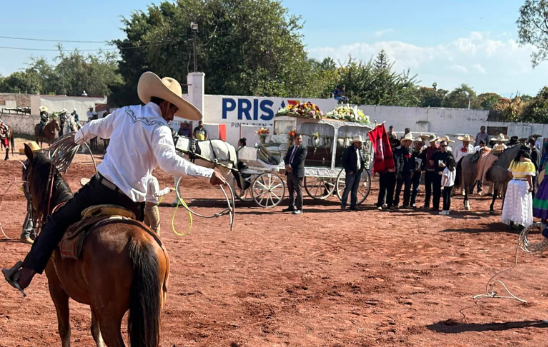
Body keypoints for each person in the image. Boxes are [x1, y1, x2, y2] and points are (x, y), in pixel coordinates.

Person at [3, 71, 227, 291]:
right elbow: (169, 162)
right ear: (166, 104)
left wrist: (77, 137)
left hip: (101, 190)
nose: (173, 116)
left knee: (57, 220)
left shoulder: (125, 113)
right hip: (133, 204)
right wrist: (207, 173)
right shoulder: (160, 129)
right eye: (174, 109)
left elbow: (95, 127)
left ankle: (25, 275)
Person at [502, 145, 536, 228]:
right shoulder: (528, 163)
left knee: (511, 203)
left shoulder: (514, 161)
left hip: (512, 183)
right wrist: (531, 186)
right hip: (522, 184)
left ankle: (511, 222)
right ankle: (521, 223)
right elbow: (529, 176)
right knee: (522, 204)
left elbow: (509, 173)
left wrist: (515, 178)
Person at [283, 133, 307, 214]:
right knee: (290, 190)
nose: (299, 140)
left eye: (300, 139)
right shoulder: (291, 147)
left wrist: (290, 165)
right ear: (294, 139)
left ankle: (300, 208)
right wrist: (286, 165)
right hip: (289, 172)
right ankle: (291, 206)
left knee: (298, 190)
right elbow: (286, 157)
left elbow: (300, 159)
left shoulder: (303, 148)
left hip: (297, 172)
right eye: (298, 139)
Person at [340, 136, 365, 211]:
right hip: (351, 172)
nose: (359, 144)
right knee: (348, 188)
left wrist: (361, 169)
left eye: (360, 142)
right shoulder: (348, 150)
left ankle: (353, 204)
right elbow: (344, 161)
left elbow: (362, 160)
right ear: (354, 143)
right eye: (358, 142)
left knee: (355, 189)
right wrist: (348, 170)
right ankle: (343, 204)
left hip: (357, 172)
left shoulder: (360, 150)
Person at [429, 140, 453, 211]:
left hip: (445, 175)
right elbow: (431, 160)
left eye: (445, 146)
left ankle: (445, 209)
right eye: (443, 146)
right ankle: (435, 206)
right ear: (440, 146)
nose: (444, 147)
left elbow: (453, 165)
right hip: (437, 174)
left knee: (446, 193)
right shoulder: (436, 153)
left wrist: (445, 165)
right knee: (436, 191)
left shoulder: (449, 154)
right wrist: (431, 162)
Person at [376, 138, 398, 211]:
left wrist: (396, 170)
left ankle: (389, 204)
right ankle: (380, 203)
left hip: (393, 174)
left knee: (391, 190)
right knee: (382, 189)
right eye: (391, 143)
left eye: (394, 143)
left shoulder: (397, 152)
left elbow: (399, 162)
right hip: (384, 173)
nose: (392, 144)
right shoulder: (383, 151)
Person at [393, 133, 414, 208]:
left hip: (409, 172)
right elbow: (399, 161)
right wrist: (398, 172)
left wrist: (412, 171)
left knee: (407, 189)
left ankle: (406, 203)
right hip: (401, 172)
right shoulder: (400, 150)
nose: (409, 142)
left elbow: (413, 162)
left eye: (410, 141)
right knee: (398, 188)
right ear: (405, 142)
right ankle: (396, 203)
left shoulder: (412, 151)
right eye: (408, 141)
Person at [420, 134, 439, 209]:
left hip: (435, 171)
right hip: (428, 170)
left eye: (433, 141)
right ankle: (426, 204)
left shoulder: (439, 149)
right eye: (431, 142)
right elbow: (422, 156)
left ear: (436, 141)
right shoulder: (427, 149)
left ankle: (435, 205)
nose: (432, 143)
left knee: (435, 189)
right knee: (427, 189)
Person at [410, 137, 424, 208]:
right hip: (410, 173)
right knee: (407, 188)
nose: (417, 145)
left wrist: (421, 169)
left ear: (421, 145)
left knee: (415, 188)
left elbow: (424, 164)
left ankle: (413, 202)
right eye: (416, 144)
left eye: (419, 144)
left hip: (417, 173)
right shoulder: (411, 152)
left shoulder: (422, 154)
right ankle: (405, 202)